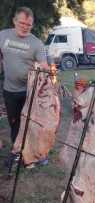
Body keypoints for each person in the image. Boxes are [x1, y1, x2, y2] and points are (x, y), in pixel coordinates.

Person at [0, 7, 49, 162]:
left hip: (30, 91)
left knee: (32, 124)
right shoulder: (3, 35)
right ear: (14, 21)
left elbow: (44, 66)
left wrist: (46, 71)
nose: (24, 27)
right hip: (10, 90)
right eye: (21, 23)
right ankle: (16, 151)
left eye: (28, 24)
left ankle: (36, 153)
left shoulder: (36, 44)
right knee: (14, 122)